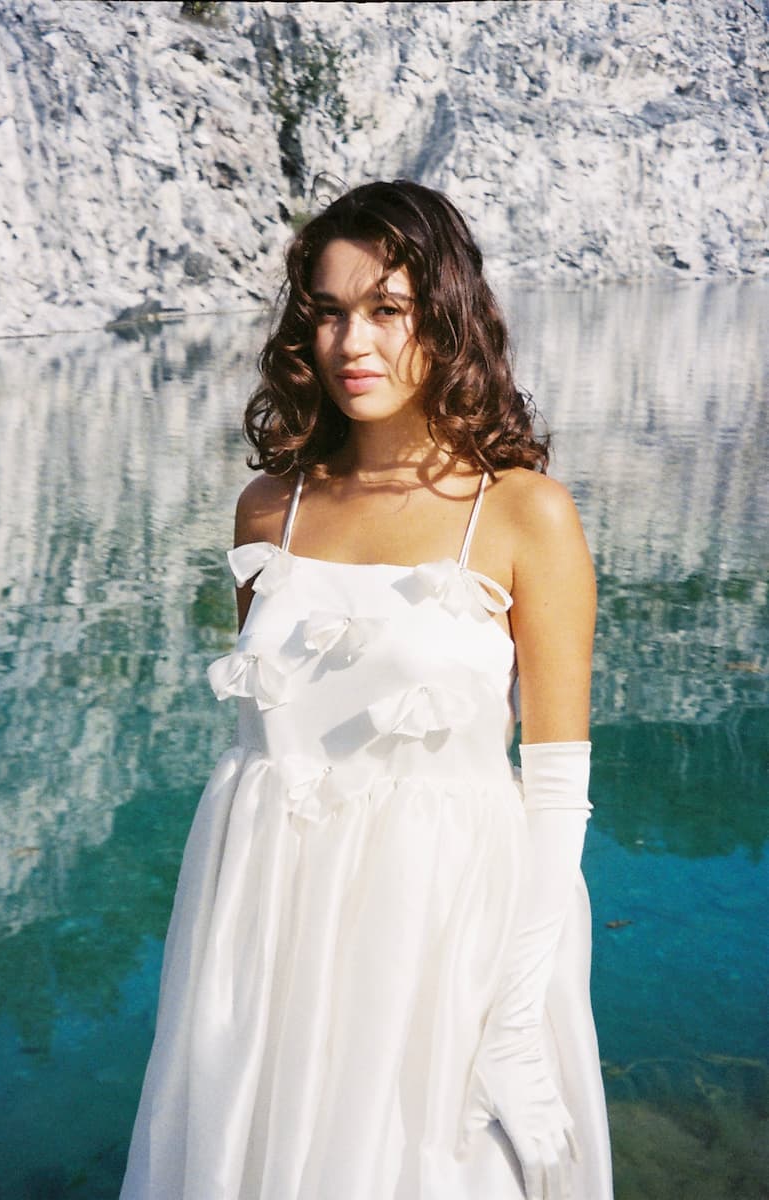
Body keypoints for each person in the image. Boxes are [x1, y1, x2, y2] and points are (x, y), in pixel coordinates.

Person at [120, 180, 614, 1200]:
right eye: (330, 310)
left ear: (446, 316)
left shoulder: (525, 515)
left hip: (442, 930)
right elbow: (273, 733)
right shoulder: (270, 509)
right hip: (262, 913)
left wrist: (515, 1019)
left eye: (387, 309)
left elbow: (558, 792)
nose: (354, 341)